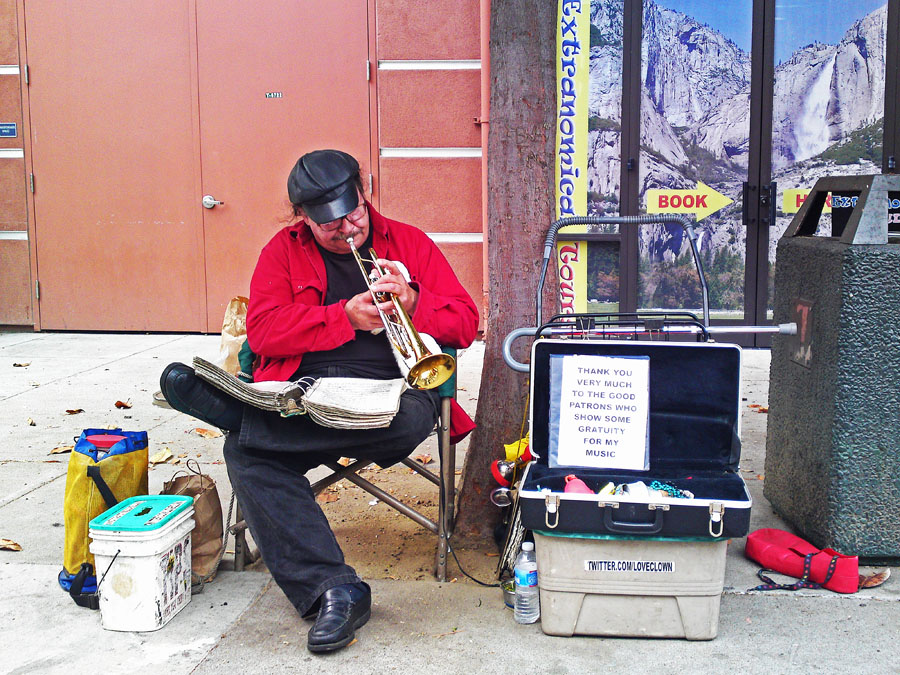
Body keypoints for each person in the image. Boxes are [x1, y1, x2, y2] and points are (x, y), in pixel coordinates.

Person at [160, 149, 478, 653]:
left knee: (275, 438)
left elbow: (466, 322)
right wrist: (343, 318)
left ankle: (240, 417)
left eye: (353, 215)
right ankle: (334, 589)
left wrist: (414, 301)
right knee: (247, 457)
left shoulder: (410, 243)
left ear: (364, 193)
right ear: (302, 218)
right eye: (329, 225)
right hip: (305, 390)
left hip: (391, 392)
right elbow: (262, 334)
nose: (347, 230)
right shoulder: (281, 252)